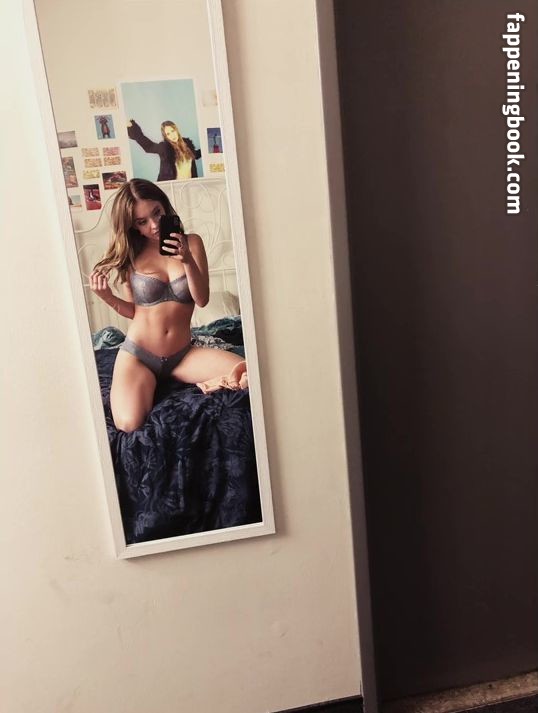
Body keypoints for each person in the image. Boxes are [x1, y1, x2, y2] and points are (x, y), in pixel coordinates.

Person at [90, 178, 246, 432]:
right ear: (132, 226)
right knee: (128, 424)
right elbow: (134, 311)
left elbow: (202, 299)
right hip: (139, 355)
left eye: (157, 213)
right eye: (142, 222)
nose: (153, 225)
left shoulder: (192, 243)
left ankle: (176, 380)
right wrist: (107, 296)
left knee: (247, 375)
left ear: (165, 206)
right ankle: (149, 382)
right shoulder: (132, 254)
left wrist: (187, 260)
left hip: (182, 355)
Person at [127, 119, 201, 181]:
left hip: (189, 184)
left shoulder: (187, 144)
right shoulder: (164, 148)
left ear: (176, 130)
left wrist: (206, 149)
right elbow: (148, 146)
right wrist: (132, 127)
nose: (172, 135)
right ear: (165, 136)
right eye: (168, 134)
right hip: (172, 187)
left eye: (173, 131)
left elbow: (195, 155)